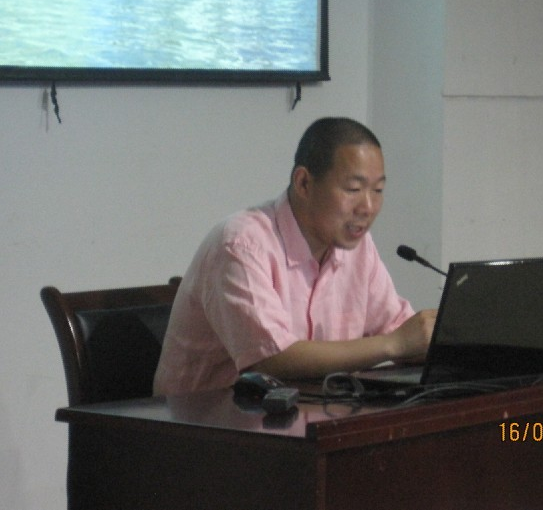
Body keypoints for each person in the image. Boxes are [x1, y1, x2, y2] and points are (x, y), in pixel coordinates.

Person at [153, 117, 437, 396]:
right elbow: (271, 360)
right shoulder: (241, 244)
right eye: (353, 189)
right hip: (202, 419)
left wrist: (438, 341)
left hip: (310, 413)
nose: (368, 207)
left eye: (378, 191)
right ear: (303, 183)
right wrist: (393, 345)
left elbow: (401, 331)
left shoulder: (358, 248)